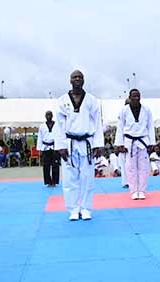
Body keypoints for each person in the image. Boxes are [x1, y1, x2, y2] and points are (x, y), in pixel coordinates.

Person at [54, 70, 104, 221]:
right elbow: (59, 125)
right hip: (69, 142)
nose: (77, 79)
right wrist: (60, 145)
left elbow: (97, 122)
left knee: (87, 177)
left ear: (84, 80)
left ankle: (86, 208)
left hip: (87, 142)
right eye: (74, 77)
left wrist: (98, 144)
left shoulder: (92, 100)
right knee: (70, 178)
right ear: (70, 80)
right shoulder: (62, 100)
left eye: (80, 77)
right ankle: (73, 209)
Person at [115, 88, 156, 200]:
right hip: (129, 141)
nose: (136, 98)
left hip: (143, 140)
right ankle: (133, 190)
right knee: (130, 167)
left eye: (138, 96)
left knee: (143, 167)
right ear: (129, 97)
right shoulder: (124, 110)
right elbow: (120, 127)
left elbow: (150, 126)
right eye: (134, 96)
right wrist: (119, 144)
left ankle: (142, 190)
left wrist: (152, 143)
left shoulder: (146, 110)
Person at [37, 111, 60, 187]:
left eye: (50, 115)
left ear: (52, 116)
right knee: (46, 166)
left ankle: (54, 181)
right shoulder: (42, 126)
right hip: (45, 147)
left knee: (55, 165)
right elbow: (40, 137)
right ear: (45, 116)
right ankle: (48, 182)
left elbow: (59, 136)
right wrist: (39, 148)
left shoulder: (57, 125)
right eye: (47, 115)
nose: (48, 116)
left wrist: (60, 147)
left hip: (54, 147)